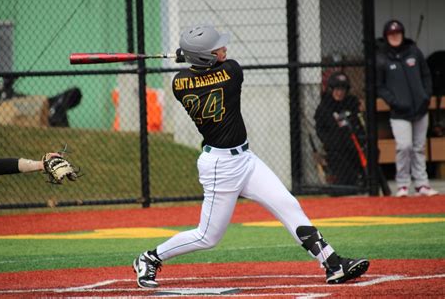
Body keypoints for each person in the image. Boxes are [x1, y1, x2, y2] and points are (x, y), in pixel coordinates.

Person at [132, 24, 369, 288]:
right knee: (208, 237)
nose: (224, 49)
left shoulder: (179, 84)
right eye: (217, 48)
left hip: (245, 159)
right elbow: (213, 68)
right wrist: (189, 56)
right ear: (206, 58)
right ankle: (150, 257)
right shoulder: (232, 72)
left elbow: (193, 72)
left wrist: (189, 57)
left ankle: (332, 263)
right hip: (221, 167)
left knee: (288, 204)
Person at [376, 19, 438, 197]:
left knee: (419, 147)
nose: (395, 37)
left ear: (402, 35)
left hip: (420, 108)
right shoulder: (382, 58)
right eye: (391, 34)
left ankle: (422, 184)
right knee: (404, 146)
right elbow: (380, 86)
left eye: (397, 33)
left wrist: (426, 96)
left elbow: (426, 75)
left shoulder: (414, 52)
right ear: (386, 37)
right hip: (399, 112)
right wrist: (394, 102)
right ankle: (403, 184)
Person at [314, 71, 364, 185]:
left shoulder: (352, 103)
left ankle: (362, 178)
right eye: (337, 90)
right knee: (344, 179)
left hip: (353, 145)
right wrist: (329, 142)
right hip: (335, 148)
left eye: (342, 90)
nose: (339, 93)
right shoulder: (324, 107)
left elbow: (359, 125)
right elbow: (320, 129)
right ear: (331, 90)